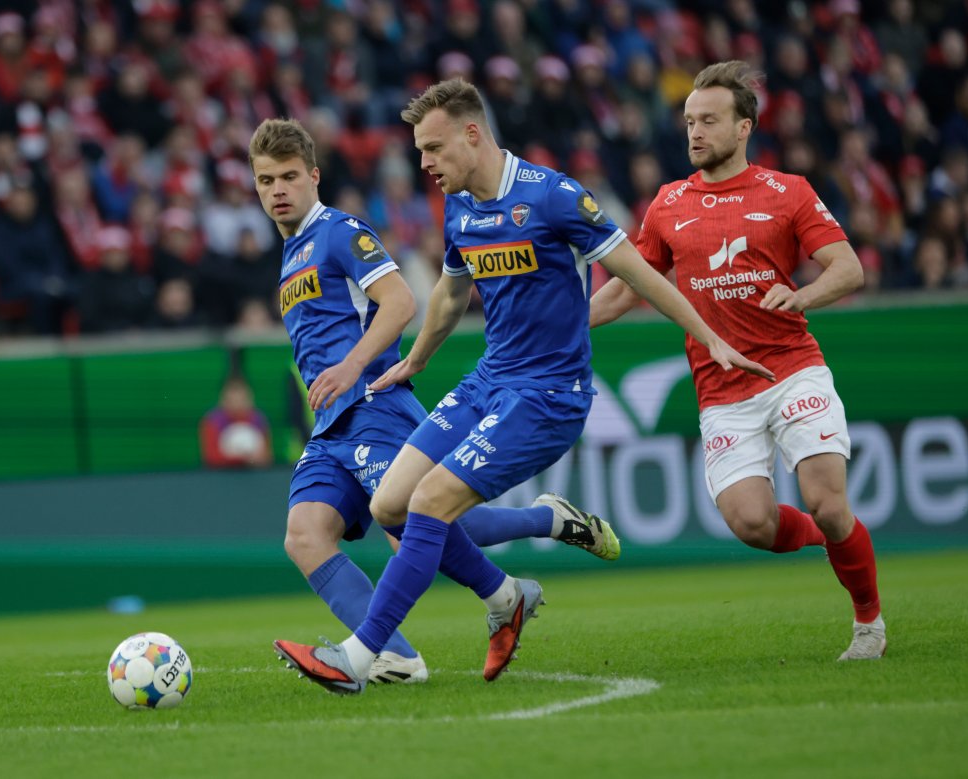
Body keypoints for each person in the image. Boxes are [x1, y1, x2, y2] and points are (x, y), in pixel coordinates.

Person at [273, 79, 772, 694]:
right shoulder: (459, 207)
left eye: (432, 148)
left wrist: (710, 336)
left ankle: (359, 656)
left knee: (429, 503)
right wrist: (415, 360)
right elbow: (451, 293)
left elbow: (639, 274)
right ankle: (508, 597)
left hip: (548, 394)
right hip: (489, 379)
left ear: (472, 134)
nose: (423, 163)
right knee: (389, 506)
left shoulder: (553, 197)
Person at [251, 117, 616, 691]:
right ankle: (399, 655)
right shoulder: (292, 253)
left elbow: (400, 302)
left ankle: (545, 523)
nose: (278, 190)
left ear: (314, 177)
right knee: (304, 536)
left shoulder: (340, 232)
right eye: (266, 180)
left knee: (422, 522)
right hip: (329, 426)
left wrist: (352, 367)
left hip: (372, 406)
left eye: (289, 177)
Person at [590, 61, 883, 661]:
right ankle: (831, 539)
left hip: (792, 367)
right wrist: (561, 326)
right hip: (721, 389)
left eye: (709, 121)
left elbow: (848, 268)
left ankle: (868, 624)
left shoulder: (787, 191)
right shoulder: (668, 203)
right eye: (689, 122)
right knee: (751, 524)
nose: (695, 132)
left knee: (828, 501)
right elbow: (626, 288)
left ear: (743, 127)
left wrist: (801, 296)